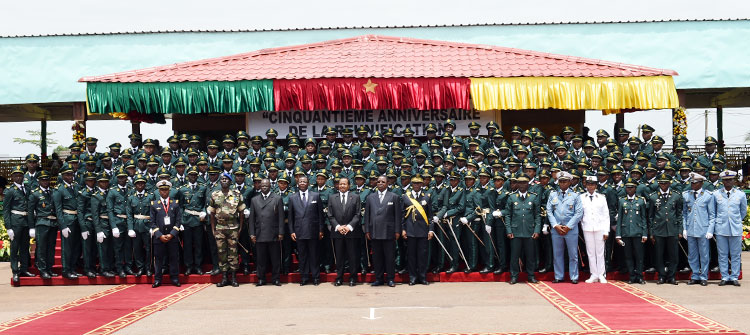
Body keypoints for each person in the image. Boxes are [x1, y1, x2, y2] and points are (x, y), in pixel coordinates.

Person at [208, 173, 246, 287]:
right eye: (222, 179)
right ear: (220, 182)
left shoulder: (236, 194)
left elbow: (241, 212)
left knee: (233, 253)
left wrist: (240, 228)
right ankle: (224, 277)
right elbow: (212, 213)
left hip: (233, 227)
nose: (224, 180)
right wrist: (213, 230)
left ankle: (234, 277)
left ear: (230, 182)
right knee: (221, 253)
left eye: (226, 179)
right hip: (220, 228)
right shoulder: (214, 195)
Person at [364, 175, 402, 287]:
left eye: (383, 181)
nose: (380, 183)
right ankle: (379, 279)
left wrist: (397, 231)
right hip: (374, 232)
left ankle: (390, 279)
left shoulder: (394, 196)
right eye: (378, 181)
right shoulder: (370, 197)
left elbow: (398, 216)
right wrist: (367, 230)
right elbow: (367, 216)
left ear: (387, 183)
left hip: (389, 232)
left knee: (390, 257)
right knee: (377, 258)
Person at [546, 171, 583, 284]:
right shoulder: (553, 195)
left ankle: (574, 276)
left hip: (570, 229)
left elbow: (578, 213)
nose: (562, 183)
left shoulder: (575, 195)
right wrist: (555, 225)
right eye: (561, 181)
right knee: (557, 254)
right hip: (556, 228)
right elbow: (549, 211)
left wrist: (568, 227)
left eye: (565, 181)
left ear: (570, 182)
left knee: (573, 254)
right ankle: (558, 276)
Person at [504, 174, 541, 284]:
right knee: (514, 256)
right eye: (520, 183)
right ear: (517, 184)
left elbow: (537, 215)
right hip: (515, 232)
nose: (522, 185)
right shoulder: (512, 197)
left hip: (530, 231)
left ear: (528, 184)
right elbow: (508, 215)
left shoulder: (533, 197)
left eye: (524, 183)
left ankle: (531, 275)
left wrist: (537, 230)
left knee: (530, 256)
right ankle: (514, 276)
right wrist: (509, 230)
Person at [287, 175, 325, 286]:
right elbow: (290, 217)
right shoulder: (292, 198)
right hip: (299, 232)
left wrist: (321, 229)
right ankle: (304, 277)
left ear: (308, 183)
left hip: (313, 231)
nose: (302, 183)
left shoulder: (316, 196)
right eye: (300, 182)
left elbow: (320, 215)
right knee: (302, 256)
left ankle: (316, 277)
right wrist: (292, 231)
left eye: (304, 181)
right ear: (298, 183)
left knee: (314, 255)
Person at [248, 178, 285, 286]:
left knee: (275, 258)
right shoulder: (254, 200)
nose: (264, 187)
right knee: (261, 259)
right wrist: (252, 233)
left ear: (270, 186)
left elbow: (281, 218)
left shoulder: (277, 198)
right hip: (260, 233)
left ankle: (276, 278)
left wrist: (281, 232)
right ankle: (261, 279)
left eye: (266, 186)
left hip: (274, 233)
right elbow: (251, 219)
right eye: (262, 186)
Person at [648, 173, 683, 285]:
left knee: (673, 255)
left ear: (669, 183)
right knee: (659, 254)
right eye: (661, 183)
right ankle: (662, 276)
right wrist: (651, 232)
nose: (663, 185)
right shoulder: (653, 196)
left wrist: (680, 230)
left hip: (672, 229)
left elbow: (679, 215)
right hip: (659, 230)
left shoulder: (676, 196)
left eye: (666, 183)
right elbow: (651, 216)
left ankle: (672, 276)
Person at [712, 170, 746, 286]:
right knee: (722, 254)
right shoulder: (716, 194)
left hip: (735, 228)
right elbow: (714, 212)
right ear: (722, 181)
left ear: (734, 181)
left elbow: (743, 212)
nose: (728, 182)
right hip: (721, 228)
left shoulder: (740, 194)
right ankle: (725, 276)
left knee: (736, 254)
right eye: (725, 180)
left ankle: (734, 276)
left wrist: (735, 221)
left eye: (730, 180)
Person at [327, 177, 362, 286]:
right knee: (340, 256)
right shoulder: (332, 198)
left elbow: (358, 214)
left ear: (349, 186)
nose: (342, 186)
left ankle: (353, 278)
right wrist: (338, 227)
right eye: (340, 184)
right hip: (337, 232)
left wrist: (348, 227)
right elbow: (330, 215)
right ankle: (339, 278)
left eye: (344, 184)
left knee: (352, 256)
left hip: (351, 232)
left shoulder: (355, 197)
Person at [4, 166, 35, 283]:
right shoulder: (10, 191)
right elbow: (6, 210)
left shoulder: (27, 188)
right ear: (12, 177)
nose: (18, 177)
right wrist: (8, 227)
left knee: (24, 246)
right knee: (14, 248)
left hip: (26, 221)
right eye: (16, 175)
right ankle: (15, 271)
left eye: (20, 175)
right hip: (16, 222)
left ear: (23, 176)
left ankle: (24, 269)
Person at [683, 172, 714, 286]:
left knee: (704, 254)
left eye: (695, 183)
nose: (693, 185)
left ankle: (704, 276)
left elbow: (712, 215)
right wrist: (684, 228)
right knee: (692, 254)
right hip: (691, 229)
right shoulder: (687, 195)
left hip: (703, 230)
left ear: (701, 183)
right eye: (691, 183)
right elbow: (684, 214)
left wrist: (710, 230)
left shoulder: (708, 196)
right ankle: (695, 275)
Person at [401, 175, 433, 285]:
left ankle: (423, 277)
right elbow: (402, 215)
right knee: (411, 256)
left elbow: (430, 216)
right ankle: (412, 277)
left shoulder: (427, 197)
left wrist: (431, 230)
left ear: (422, 185)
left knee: (422, 255)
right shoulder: (406, 197)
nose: (416, 185)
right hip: (410, 230)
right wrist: (403, 229)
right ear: (411, 184)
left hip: (423, 231)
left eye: (419, 183)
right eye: (414, 183)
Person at [616, 177, 649, 285]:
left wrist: (645, 233)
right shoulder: (622, 201)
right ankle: (631, 276)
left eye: (632, 188)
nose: (629, 190)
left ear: (635, 188)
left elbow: (644, 218)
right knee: (628, 256)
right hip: (626, 232)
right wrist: (618, 235)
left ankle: (639, 276)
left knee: (639, 256)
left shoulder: (640, 201)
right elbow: (620, 219)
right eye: (627, 188)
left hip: (638, 232)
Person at [150, 180, 183, 288]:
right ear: (159, 191)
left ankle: (174, 278)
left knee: (173, 258)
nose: (164, 192)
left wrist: (172, 234)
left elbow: (178, 221)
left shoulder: (175, 204)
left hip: (172, 237)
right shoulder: (154, 204)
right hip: (159, 237)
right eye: (162, 190)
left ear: (169, 190)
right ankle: (158, 279)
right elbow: (152, 222)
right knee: (158, 259)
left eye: (166, 190)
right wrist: (159, 235)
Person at [53, 165, 83, 279]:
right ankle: (66, 270)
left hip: (77, 219)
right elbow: (58, 210)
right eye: (67, 174)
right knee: (67, 247)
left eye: (71, 174)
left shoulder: (76, 187)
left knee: (76, 246)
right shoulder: (59, 189)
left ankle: (73, 268)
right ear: (62, 175)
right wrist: (63, 226)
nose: (70, 176)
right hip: (67, 219)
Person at [580, 175, 610, 284]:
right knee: (590, 252)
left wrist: (606, 230)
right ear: (586, 185)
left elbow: (606, 215)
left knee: (600, 252)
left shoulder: (602, 197)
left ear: (596, 185)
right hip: (587, 227)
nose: (590, 186)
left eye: (592, 184)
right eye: (588, 184)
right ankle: (593, 274)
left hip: (599, 228)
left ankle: (601, 274)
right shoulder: (581, 197)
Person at [28, 171, 58, 279]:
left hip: (53, 223)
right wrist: (31, 227)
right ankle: (42, 270)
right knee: (41, 247)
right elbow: (30, 211)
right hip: (41, 223)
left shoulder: (53, 192)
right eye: (43, 180)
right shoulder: (35, 194)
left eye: (47, 179)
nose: (45, 182)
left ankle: (49, 268)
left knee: (51, 247)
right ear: (39, 181)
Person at [179, 166, 207, 276]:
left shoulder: (202, 188)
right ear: (187, 176)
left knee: (199, 245)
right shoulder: (182, 189)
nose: (193, 177)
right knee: (187, 245)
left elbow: (205, 203)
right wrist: (180, 221)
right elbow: (180, 206)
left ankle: (198, 266)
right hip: (186, 220)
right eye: (191, 175)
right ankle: (189, 266)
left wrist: (204, 211)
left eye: (195, 175)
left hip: (198, 220)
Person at [126, 174, 154, 277]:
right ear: (135, 185)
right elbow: (129, 214)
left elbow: (153, 213)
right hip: (136, 226)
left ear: (145, 185)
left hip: (147, 226)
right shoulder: (131, 198)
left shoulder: (150, 196)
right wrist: (130, 228)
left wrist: (153, 227)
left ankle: (148, 268)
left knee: (148, 249)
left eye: (142, 183)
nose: (140, 185)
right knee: (137, 249)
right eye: (138, 184)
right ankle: (140, 268)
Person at [91, 173, 116, 278]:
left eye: (106, 181)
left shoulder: (110, 193)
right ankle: (103, 269)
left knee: (110, 248)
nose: (104, 184)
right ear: (98, 183)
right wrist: (98, 230)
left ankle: (109, 267)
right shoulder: (96, 196)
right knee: (103, 248)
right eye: (102, 182)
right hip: (102, 223)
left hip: (110, 223)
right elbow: (95, 215)